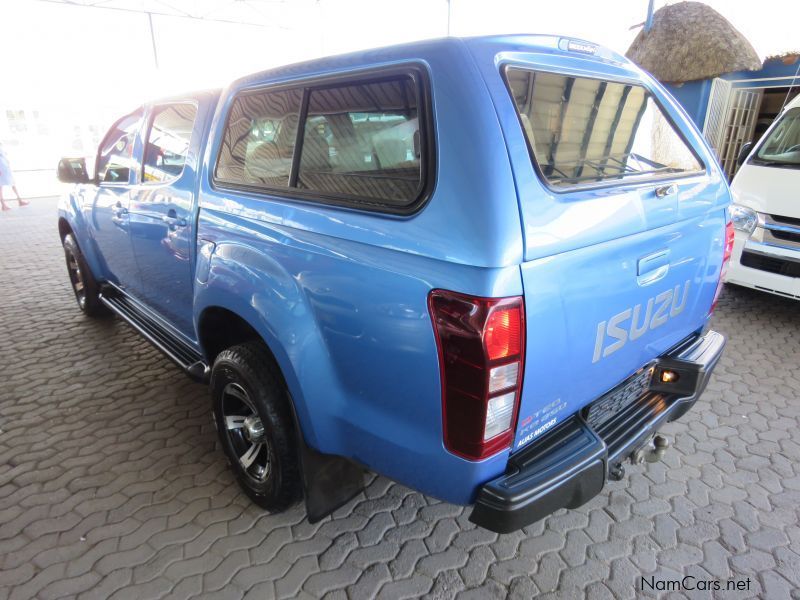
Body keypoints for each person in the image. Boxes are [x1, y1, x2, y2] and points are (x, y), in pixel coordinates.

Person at [0, 143, 28, 210]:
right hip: (1, 169)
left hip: (5, 168)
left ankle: (20, 200)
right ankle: (3, 205)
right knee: (0, 186)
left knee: (12, 183)